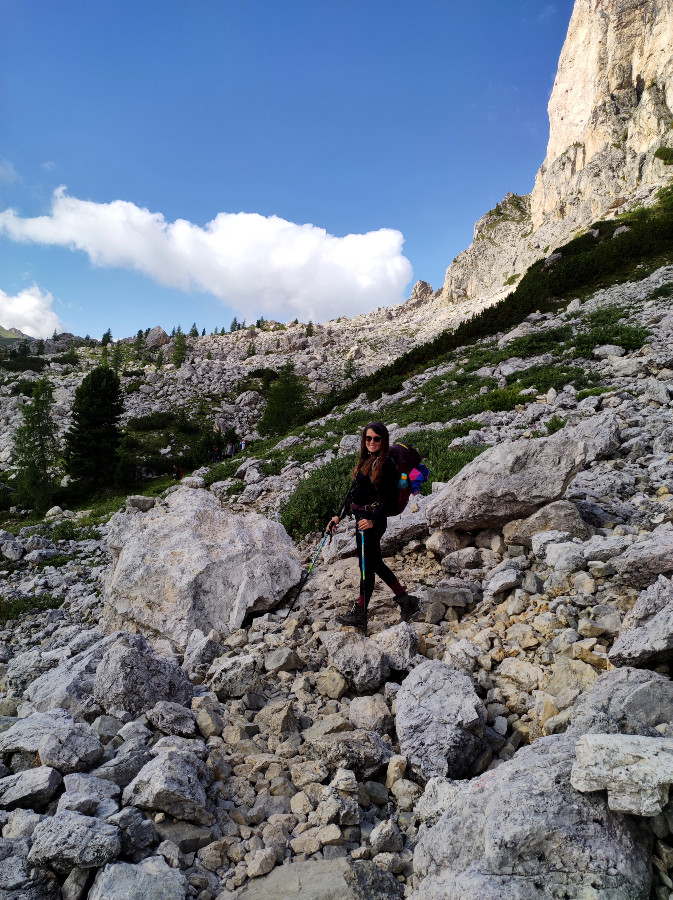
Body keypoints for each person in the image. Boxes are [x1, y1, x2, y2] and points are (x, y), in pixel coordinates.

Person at [327, 421, 419, 631]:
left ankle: (361, 612)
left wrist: (372, 520)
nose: (371, 442)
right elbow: (353, 491)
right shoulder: (367, 460)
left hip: (371, 522)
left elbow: (387, 499)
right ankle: (406, 600)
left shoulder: (384, 463)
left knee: (366, 568)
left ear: (383, 440)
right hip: (362, 520)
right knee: (374, 563)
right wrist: (337, 517)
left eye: (376, 439)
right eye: (368, 438)